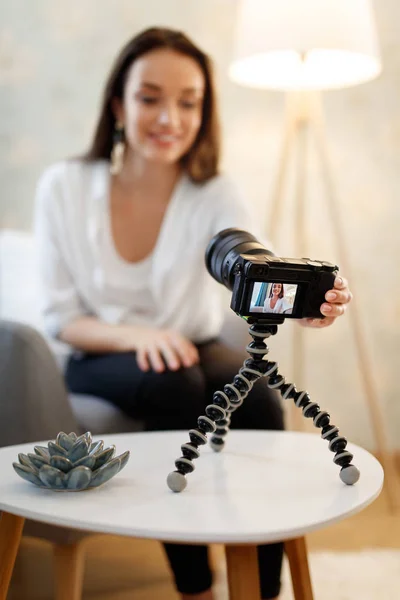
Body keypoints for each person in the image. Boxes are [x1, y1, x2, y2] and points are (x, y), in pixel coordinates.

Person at [34, 27, 353, 600]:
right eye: (150, 97)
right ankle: (197, 586)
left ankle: (262, 589)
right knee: (172, 381)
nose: (170, 118)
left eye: (189, 102)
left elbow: (255, 265)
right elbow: (62, 318)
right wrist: (138, 336)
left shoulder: (213, 192)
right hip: (99, 351)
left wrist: (307, 307)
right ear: (117, 104)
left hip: (193, 343)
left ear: (204, 113)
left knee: (258, 397)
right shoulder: (65, 186)